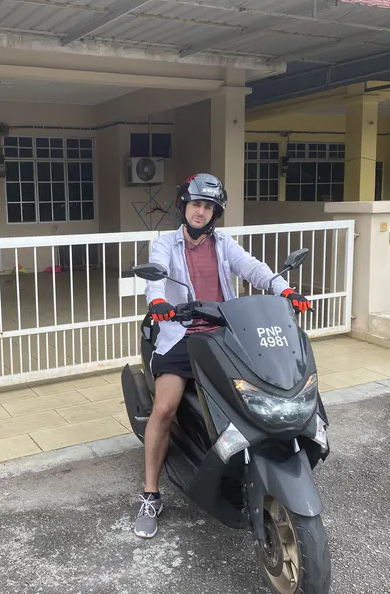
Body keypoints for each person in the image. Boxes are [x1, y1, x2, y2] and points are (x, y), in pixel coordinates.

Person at [133, 173, 312, 539]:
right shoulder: (165, 243)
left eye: (208, 207)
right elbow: (156, 276)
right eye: (196, 205)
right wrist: (159, 301)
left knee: (259, 386)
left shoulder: (223, 243)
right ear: (184, 206)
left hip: (224, 331)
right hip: (182, 334)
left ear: (215, 213)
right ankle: (151, 493)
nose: (201, 212)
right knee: (165, 408)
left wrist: (285, 290)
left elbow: (253, 268)